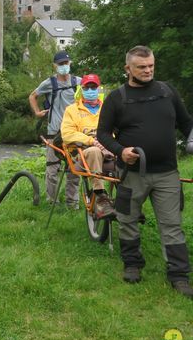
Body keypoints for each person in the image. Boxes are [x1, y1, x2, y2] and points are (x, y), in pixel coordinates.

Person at [97, 45, 193, 298]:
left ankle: (179, 276)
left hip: (167, 173)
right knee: (127, 219)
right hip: (132, 173)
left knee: (172, 224)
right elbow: (103, 134)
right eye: (142, 67)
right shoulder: (117, 98)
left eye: (151, 65)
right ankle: (132, 264)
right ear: (128, 68)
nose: (148, 70)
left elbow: (187, 123)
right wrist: (120, 151)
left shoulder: (167, 91)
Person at [29, 51, 81, 208]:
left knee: (75, 169)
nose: (64, 66)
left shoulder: (79, 82)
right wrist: (37, 112)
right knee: (52, 168)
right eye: (60, 64)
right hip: (54, 130)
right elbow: (32, 96)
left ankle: (72, 202)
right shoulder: (49, 83)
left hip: (74, 132)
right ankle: (52, 202)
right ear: (55, 66)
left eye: (66, 63)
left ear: (70, 63)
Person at [60, 73, 116, 219]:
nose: (90, 90)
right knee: (93, 151)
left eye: (94, 87)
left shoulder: (107, 108)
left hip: (108, 149)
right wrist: (91, 141)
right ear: (82, 89)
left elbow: (116, 130)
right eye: (87, 87)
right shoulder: (71, 110)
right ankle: (99, 195)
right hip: (82, 153)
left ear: (99, 89)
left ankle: (128, 200)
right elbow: (67, 134)